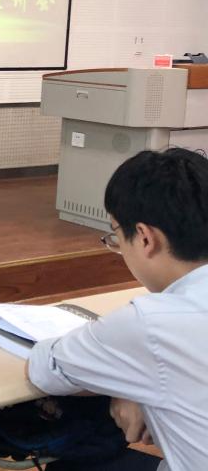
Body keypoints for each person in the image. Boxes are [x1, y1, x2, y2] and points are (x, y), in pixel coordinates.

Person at [26, 147, 208, 471]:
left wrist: (126, 383)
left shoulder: (151, 323)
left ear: (145, 238)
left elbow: (46, 367)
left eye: (116, 236)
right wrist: (139, 385)